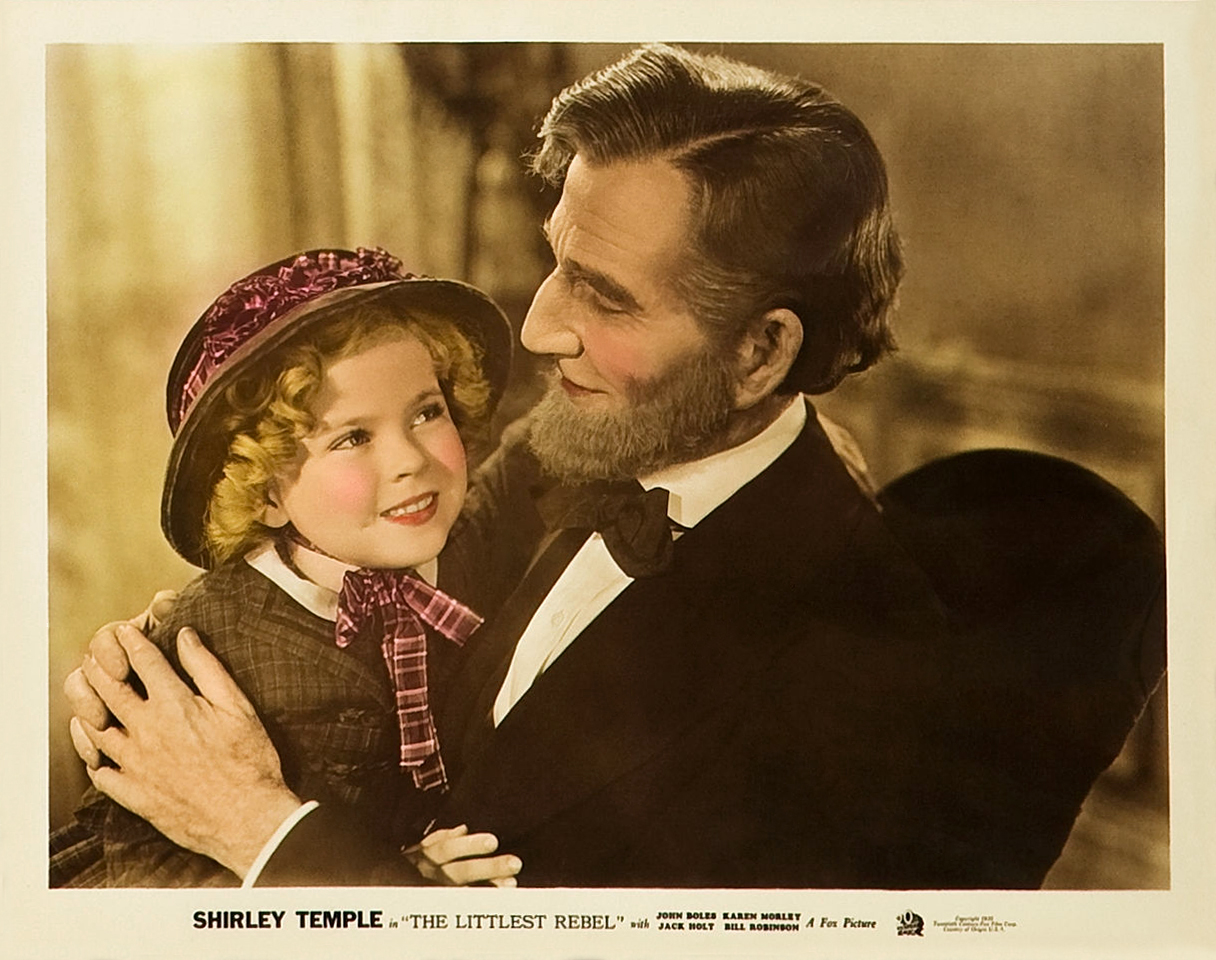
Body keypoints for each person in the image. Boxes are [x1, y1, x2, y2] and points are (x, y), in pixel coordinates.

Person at [68, 44, 1009, 887]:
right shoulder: (584, 441)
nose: (538, 327)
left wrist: (262, 832)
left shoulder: (863, 668)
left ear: (761, 353)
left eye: (605, 296)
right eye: (555, 261)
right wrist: (158, 678)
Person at [52, 247, 526, 887]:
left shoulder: (467, 544)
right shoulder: (212, 641)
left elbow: (528, 455)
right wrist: (384, 889)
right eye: (352, 438)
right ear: (266, 494)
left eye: (426, 412)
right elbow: (147, 871)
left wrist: (395, 877)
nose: (410, 460)